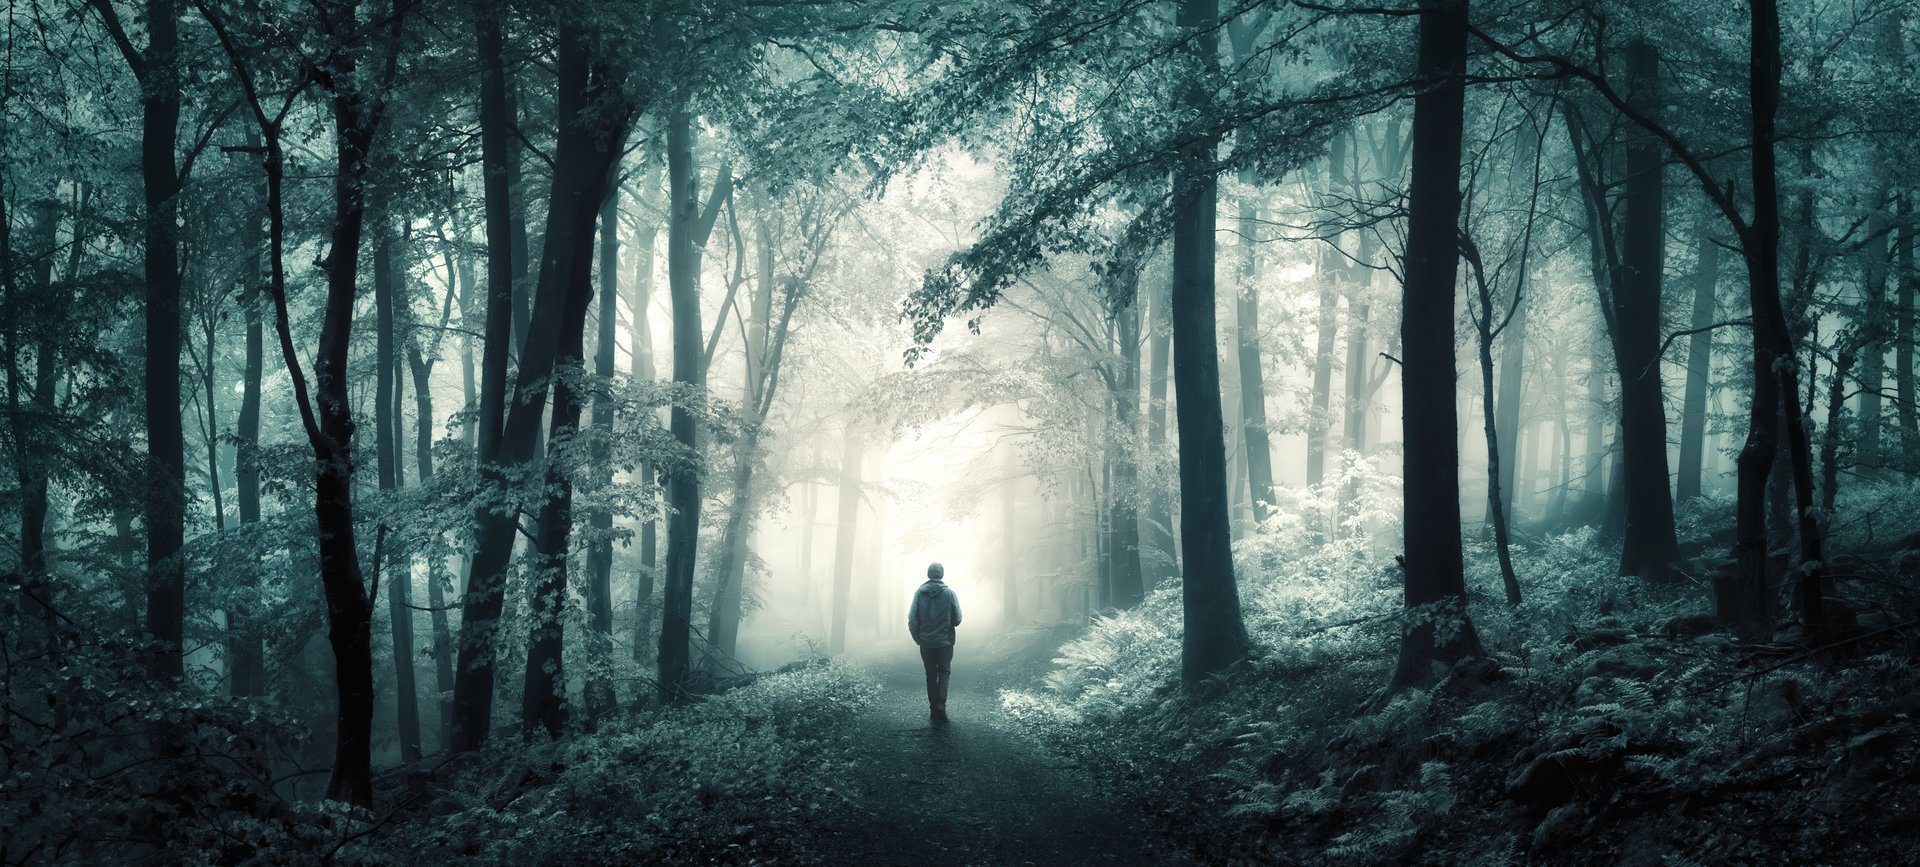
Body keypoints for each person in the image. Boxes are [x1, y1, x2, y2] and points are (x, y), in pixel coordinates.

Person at [907, 562, 962, 723]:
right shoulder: (950, 594)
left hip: (926, 643)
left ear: (928, 574)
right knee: (944, 673)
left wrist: (918, 638)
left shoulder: (919, 594)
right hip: (945, 642)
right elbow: (957, 619)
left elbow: (912, 620)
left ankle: (933, 709)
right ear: (942, 574)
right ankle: (941, 706)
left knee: (930, 675)